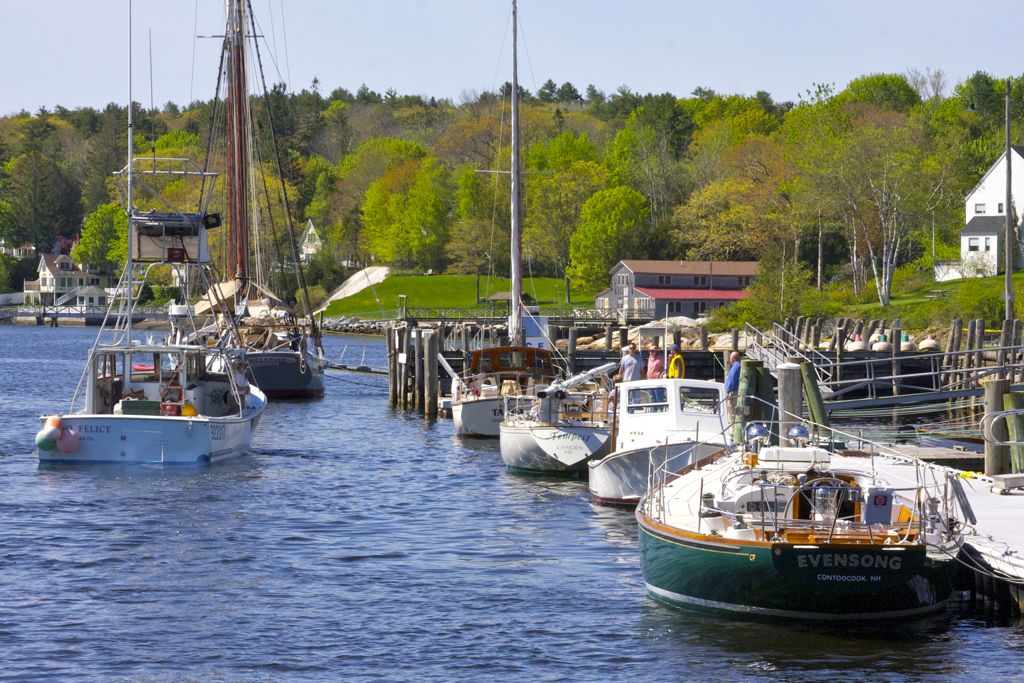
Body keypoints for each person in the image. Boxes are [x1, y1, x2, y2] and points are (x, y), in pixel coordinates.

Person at [724, 351, 742, 417]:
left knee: (732, 413)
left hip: (733, 393)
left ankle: (734, 426)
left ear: (732, 358)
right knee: (736, 413)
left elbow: (732, 379)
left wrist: (728, 391)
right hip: (736, 392)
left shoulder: (736, 367)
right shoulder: (739, 366)